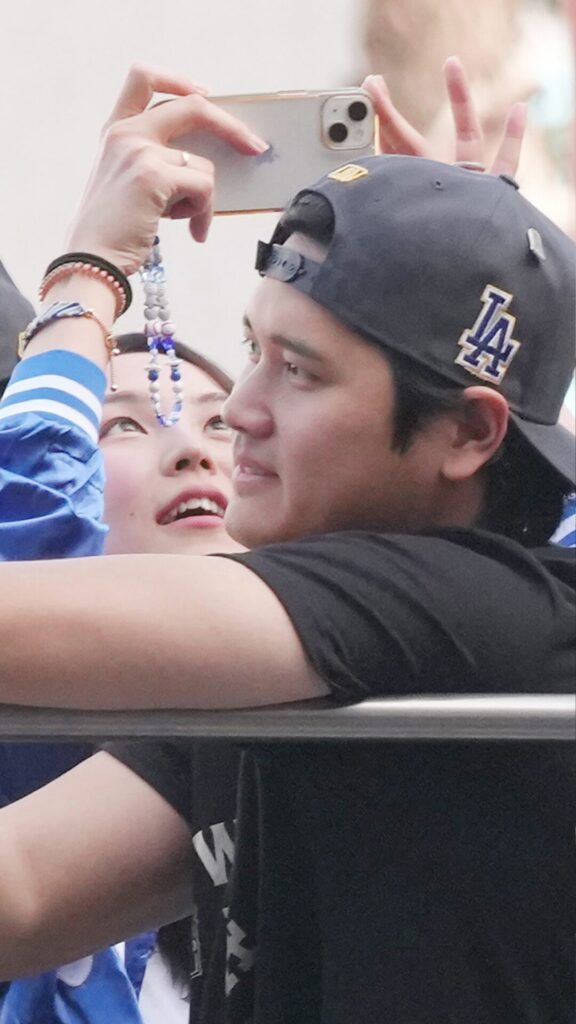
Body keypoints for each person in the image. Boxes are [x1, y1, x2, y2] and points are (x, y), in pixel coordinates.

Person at [0, 63, 574, 1024]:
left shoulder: (495, 607)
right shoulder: (286, 660)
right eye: (252, 350)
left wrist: (86, 278)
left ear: (470, 433)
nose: (240, 410)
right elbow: (22, 891)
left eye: (300, 372)